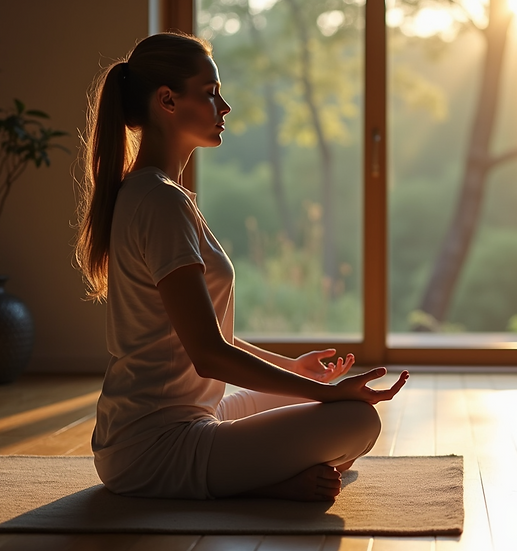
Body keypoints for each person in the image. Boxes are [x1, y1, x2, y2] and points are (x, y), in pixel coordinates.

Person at [74, 32, 408, 502]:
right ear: (167, 101)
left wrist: (295, 369)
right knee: (356, 419)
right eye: (210, 93)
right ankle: (269, 485)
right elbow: (209, 354)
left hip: (169, 428)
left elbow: (208, 337)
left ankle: (265, 469)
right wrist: (330, 398)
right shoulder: (160, 202)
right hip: (157, 449)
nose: (224, 106)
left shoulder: (154, 193)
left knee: (314, 388)